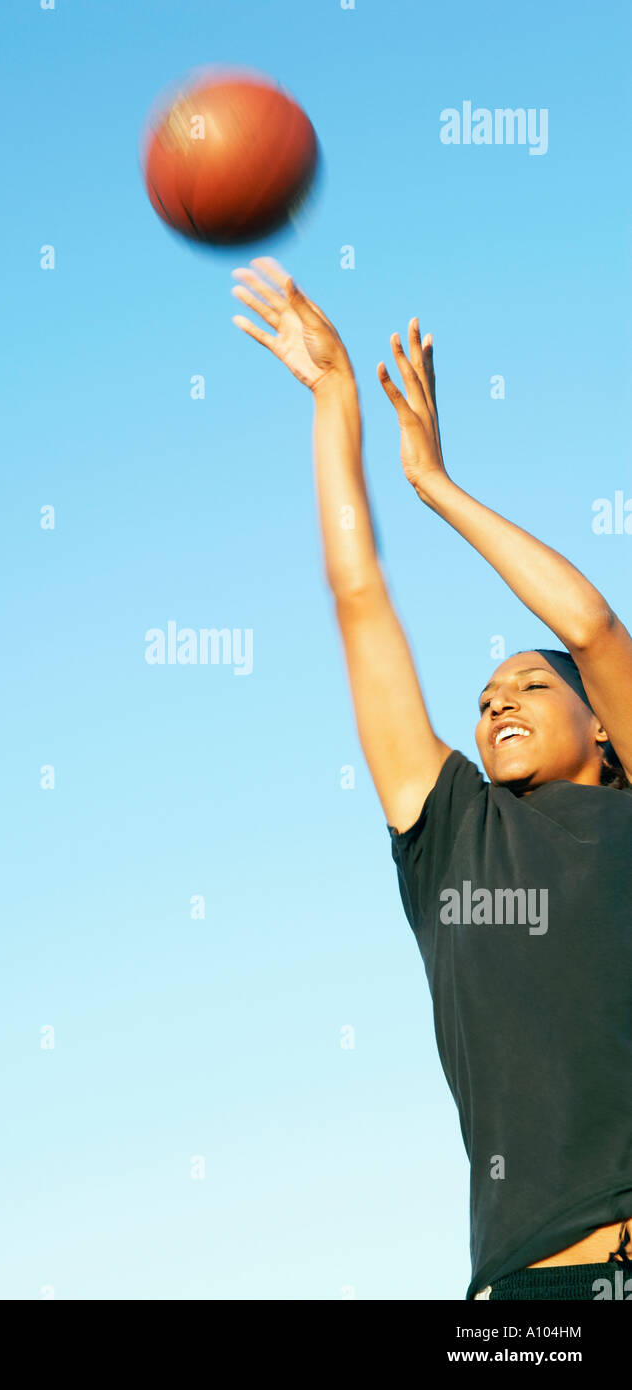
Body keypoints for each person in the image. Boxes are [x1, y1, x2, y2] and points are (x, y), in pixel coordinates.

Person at [231, 258, 632, 1301]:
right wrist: (333, 405)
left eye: (527, 686)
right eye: (485, 692)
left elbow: (591, 628)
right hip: (527, 1286)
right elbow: (357, 595)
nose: (496, 700)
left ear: (598, 725)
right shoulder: (452, 831)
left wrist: (436, 487)